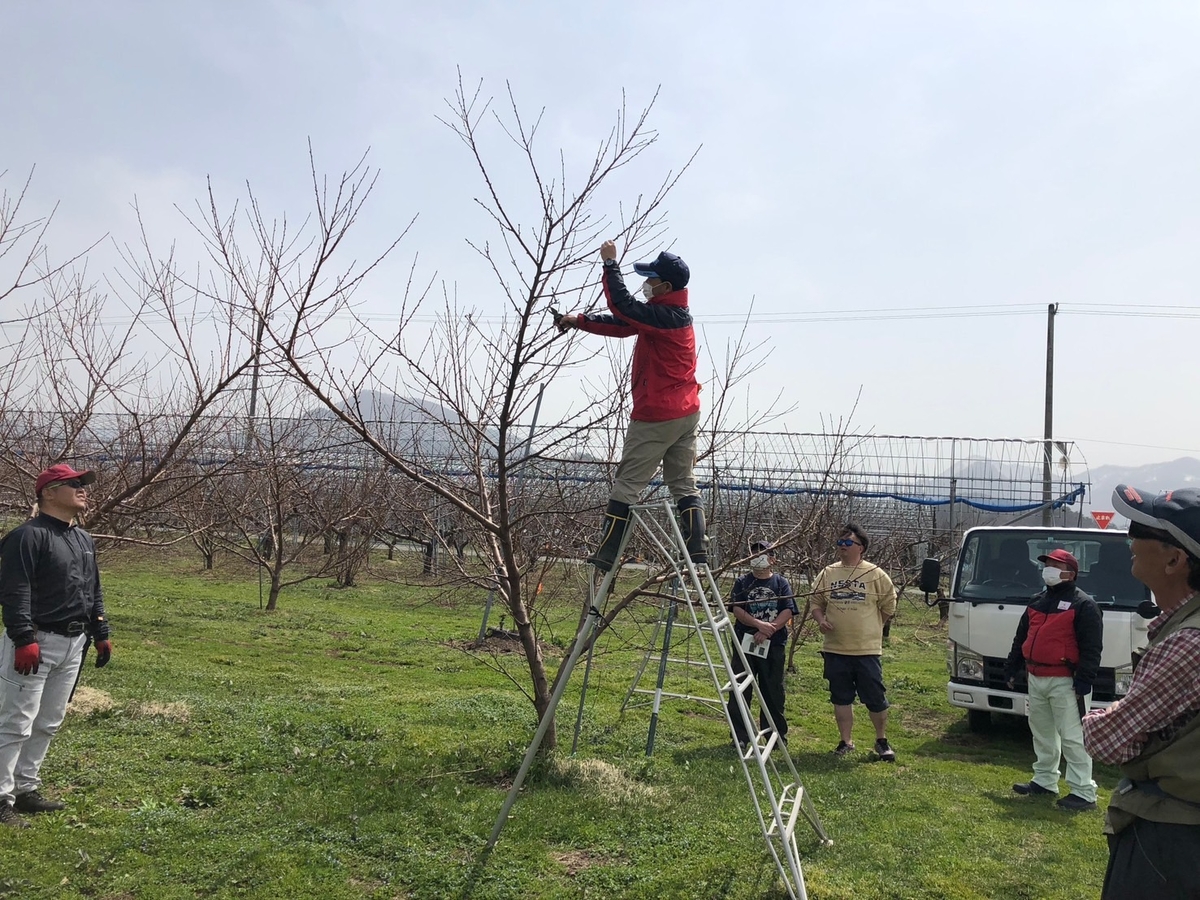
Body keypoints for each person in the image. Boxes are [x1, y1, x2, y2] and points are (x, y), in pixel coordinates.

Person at [555, 241, 704, 572]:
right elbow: (622, 324)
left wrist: (610, 265)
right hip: (686, 411)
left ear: (665, 286)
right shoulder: (671, 316)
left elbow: (623, 306)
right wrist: (578, 320)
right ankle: (698, 551)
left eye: (651, 279)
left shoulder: (664, 316)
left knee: (628, 484)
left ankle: (607, 552)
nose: (646, 284)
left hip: (657, 414)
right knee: (682, 482)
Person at [1082, 485, 1200, 899]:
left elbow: (1106, 741)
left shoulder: (1188, 643)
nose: (1130, 539)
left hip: (1172, 842)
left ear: (1175, 559)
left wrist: (1108, 713)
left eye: (1141, 529)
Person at [0, 464, 112, 828]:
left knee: (49, 720)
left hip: (73, 642)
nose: (83, 489)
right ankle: (1, 798)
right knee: (16, 721)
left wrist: (100, 632)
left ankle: (25, 788)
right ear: (48, 492)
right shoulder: (27, 537)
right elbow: (15, 590)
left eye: (83, 484)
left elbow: (92, 589)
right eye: (74, 484)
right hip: (37, 640)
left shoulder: (82, 539)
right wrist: (23, 637)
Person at [1003, 548, 1103, 811]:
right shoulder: (1037, 601)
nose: (1048, 570)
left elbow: (1092, 648)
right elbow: (1022, 637)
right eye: (1047, 565)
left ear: (1070, 572)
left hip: (1066, 680)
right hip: (1036, 676)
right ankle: (1045, 780)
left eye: (1055, 566)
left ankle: (1084, 792)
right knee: (1042, 732)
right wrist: (1012, 666)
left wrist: (1084, 680)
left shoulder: (1084, 605)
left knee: (1073, 736)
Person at [810, 523, 898, 761]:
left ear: (861, 547)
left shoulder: (874, 574)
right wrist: (821, 620)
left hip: (866, 649)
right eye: (840, 543)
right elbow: (816, 603)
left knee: (875, 697)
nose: (843, 547)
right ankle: (846, 741)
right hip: (835, 648)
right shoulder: (828, 573)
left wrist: (874, 625)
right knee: (840, 697)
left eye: (848, 543)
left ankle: (881, 741)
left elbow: (889, 605)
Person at [727, 541, 797, 748]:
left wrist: (770, 629)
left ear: (772, 559)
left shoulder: (781, 583)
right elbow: (737, 609)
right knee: (740, 689)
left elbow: (788, 610)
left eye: (763, 554)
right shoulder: (742, 582)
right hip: (745, 642)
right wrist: (758, 625)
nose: (757, 557)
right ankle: (740, 736)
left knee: (773, 691)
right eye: (754, 553)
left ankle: (775, 737)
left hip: (773, 645)